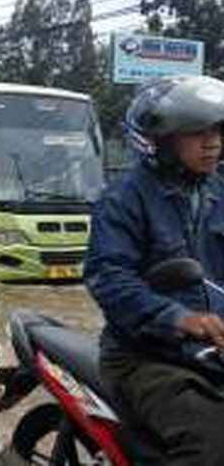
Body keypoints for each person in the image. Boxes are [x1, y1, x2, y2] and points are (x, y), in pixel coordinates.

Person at [84, 75, 224, 463]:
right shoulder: (124, 199)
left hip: (210, 354)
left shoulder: (217, 191)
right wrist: (182, 319)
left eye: (217, 129)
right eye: (197, 131)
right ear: (160, 140)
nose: (212, 141)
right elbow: (108, 277)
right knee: (212, 442)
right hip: (145, 358)